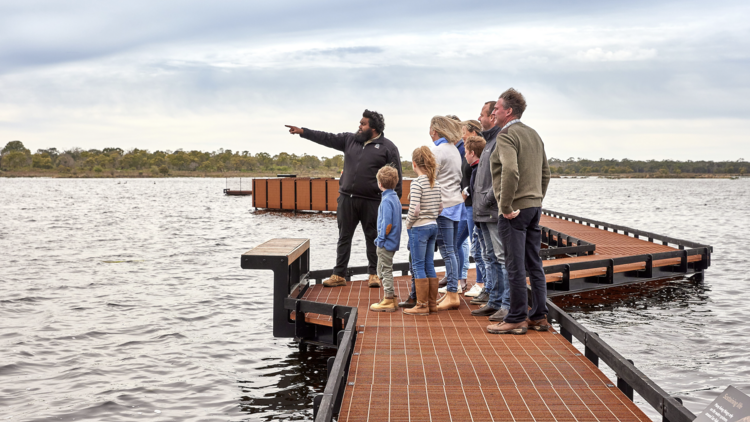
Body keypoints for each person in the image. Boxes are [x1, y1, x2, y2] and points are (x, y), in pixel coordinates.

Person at [285, 110, 402, 288]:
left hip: (372, 201)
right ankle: (339, 275)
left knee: (373, 237)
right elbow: (327, 137)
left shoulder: (388, 147)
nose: (359, 126)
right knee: (344, 237)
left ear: (374, 128)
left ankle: (374, 274)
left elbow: (396, 177)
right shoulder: (350, 140)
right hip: (347, 199)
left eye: (363, 124)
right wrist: (303, 132)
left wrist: (394, 203)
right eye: (360, 123)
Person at [487, 88, 551, 335]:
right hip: (533, 207)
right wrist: (536, 198)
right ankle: (539, 316)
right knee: (534, 263)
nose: (494, 112)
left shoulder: (506, 135)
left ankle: (516, 317)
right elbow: (545, 173)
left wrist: (506, 206)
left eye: (497, 108)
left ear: (508, 111)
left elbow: (510, 171)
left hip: (514, 210)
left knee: (514, 265)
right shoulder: (534, 135)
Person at [470, 101, 511, 323]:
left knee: (501, 257)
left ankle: (506, 304)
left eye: (483, 114)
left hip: (492, 211)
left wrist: (486, 200)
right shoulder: (488, 142)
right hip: (482, 212)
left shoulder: (499, 141)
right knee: (489, 256)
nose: (480, 118)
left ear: (492, 118)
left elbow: (502, 175)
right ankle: (494, 300)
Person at [428, 116, 464, 311]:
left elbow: (429, 179)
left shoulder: (438, 150)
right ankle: (452, 292)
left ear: (436, 131)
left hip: (443, 205)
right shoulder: (455, 150)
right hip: (456, 203)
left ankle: (452, 294)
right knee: (453, 249)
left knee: (447, 251)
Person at [403, 147, 442, 316]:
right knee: (429, 264)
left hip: (419, 227)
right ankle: (432, 304)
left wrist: (408, 224)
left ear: (414, 164)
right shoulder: (436, 183)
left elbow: (415, 209)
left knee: (418, 265)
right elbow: (440, 208)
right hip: (434, 225)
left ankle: (421, 305)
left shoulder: (417, 183)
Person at [370, 165, 403, 312]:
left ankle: (388, 298)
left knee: (385, 269)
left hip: (386, 242)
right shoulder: (395, 198)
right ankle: (392, 298)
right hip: (393, 242)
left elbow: (387, 224)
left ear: (380, 183)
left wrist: (380, 239)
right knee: (383, 268)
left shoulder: (386, 201)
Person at [460, 133, 488, 298]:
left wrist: (466, 192)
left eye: (465, 152)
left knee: (480, 250)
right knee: (478, 249)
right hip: (476, 212)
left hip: (478, 214)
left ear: (471, 153)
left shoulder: (478, 169)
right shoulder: (476, 168)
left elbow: (478, 188)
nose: (464, 155)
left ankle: (485, 285)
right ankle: (487, 287)